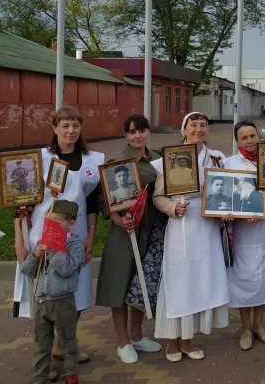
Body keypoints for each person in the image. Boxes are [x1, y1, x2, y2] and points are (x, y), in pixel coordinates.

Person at [13, 106, 103, 373]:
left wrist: (91, 235)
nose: (70, 131)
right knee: (41, 295)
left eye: (75, 125)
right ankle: (47, 353)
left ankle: (61, 346)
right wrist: (19, 239)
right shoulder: (39, 159)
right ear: (54, 128)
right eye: (64, 125)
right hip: (41, 234)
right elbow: (21, 200)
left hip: (75, 236)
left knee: (75, 291)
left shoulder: (92, 160)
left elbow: (92, 203)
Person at [152, 112, 229, 362]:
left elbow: (226, 189)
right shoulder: (170, 158)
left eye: (203, 125)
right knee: (179, 281)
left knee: (200, 281)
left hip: (207, 227)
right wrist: (172, 208)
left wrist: (226, 209)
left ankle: (187, 339)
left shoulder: (216, 158)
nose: (198, 129)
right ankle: (171, 340)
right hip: (181, 225)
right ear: (184, 130)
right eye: (193, 125)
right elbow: (158, 196)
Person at [96, 115, 165, 364]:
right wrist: (117, 219)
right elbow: (103, 198)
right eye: (132, 132)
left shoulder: (157, 160)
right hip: (126, 231)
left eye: (142, 131)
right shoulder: (117, 162)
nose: (137, 136)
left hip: (152, 229)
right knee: (120, 283)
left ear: (148, 132)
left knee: (141, 283)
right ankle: (123, 341)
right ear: (126, 135)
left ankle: (136, 335)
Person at [224, 120, 265, 351]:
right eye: (244, 137)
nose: (250, 141)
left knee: (264, 279)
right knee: (244, 280)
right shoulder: (230, 164)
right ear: (237, 141)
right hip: (243, 234)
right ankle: (245, 328)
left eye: (252, 135)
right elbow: (224, 198)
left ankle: (259, 325)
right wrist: (236, 213)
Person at [20, 200, 85, 384]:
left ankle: (70, 374)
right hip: (42, 301)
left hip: (63, 301)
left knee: (67, 340)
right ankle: (40, 376)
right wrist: (35, 256)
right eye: (48, 224)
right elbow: (27, 270)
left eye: (56, 224)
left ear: (70, 224)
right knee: (42, 343)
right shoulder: (41, 242)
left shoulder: (75, 244)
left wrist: (54, 252)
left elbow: (67, 269)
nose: (50, 228)